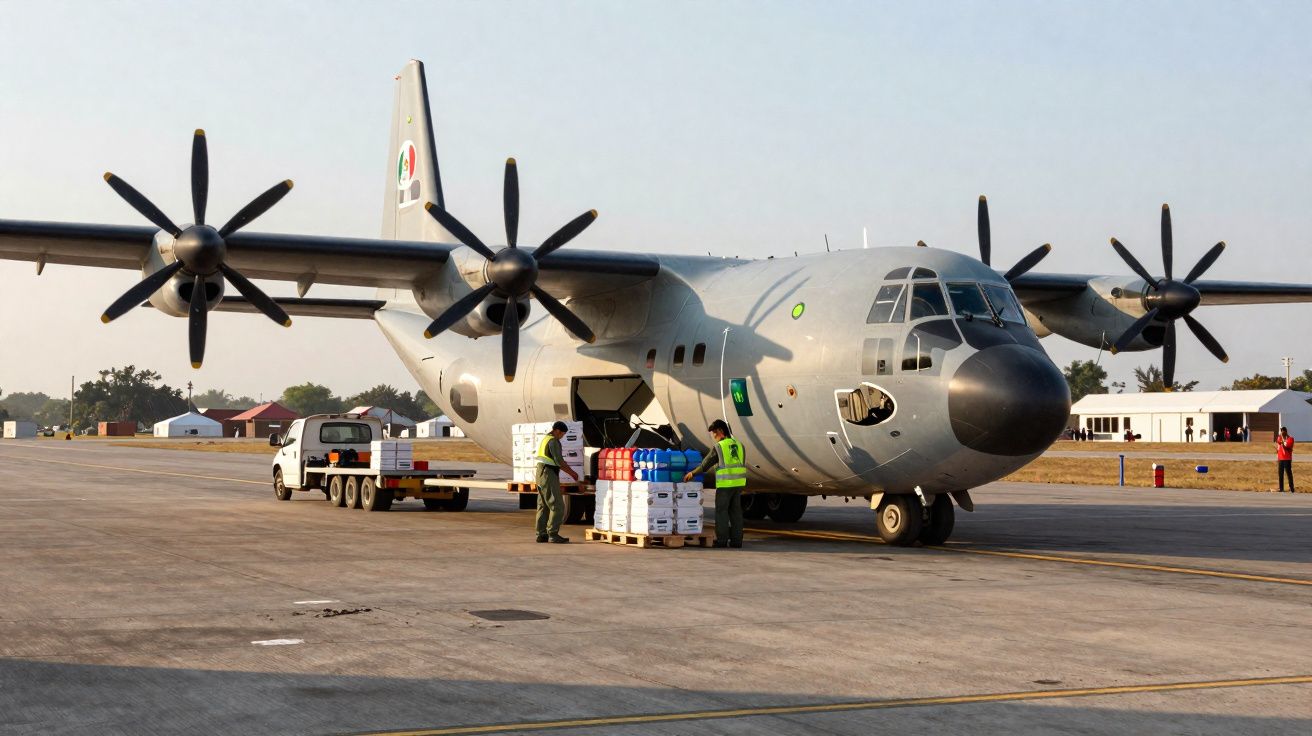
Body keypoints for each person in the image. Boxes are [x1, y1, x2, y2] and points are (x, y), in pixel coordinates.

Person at [683, 419, 747, 548]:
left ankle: (722, 540)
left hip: (725, 485)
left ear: (720, 431)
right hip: (739, 484)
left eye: (714, 433)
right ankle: (737, 541)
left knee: (721, 512)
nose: (714, 436)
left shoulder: (719, 447)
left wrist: (692, 473)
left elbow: (705, 464)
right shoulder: (740, 445)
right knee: (736, 513)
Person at [535, 421, 579, 543]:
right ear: (558, 431)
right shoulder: (553, 441)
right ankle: (553, 534)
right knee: (558, 505)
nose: (562, 437)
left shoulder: (546, 438)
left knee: (543, 506)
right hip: (548, 474)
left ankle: (541, 534)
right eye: (562, 434)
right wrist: (573, 473)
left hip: (540, 474)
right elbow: (559, 461)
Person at [1276, 427, 1295, 493]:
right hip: (1280, 458)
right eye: (1281, 431)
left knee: (1289, 473)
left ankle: (1291, 488)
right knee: (1280, 474)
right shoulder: (1279, 438)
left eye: (1283, 431)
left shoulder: (1290, 439)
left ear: (1286, 432)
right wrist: (1281, 441)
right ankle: (1281, 488)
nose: (1282, 433)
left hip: (1287, 459)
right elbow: (1278, 441)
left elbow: (1287, 446)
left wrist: (1283, 442)